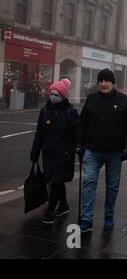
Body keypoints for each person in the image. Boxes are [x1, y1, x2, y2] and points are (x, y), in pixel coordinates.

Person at [77, 69, 127, 232]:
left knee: (112, 186)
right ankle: (86, 219)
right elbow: (82, 122)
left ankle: (109, 216)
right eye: (101, 81)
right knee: (88, 182)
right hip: (92, 150)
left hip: (115, 152)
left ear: (113, 83)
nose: (103, 83)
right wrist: (79, 144)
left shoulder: (124, 100)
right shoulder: (91, 99)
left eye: (107, 81)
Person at [30, 79, 79, 224]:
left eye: (56, 94)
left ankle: (50, 210)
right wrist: (35, 152)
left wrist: (79, 148)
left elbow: (77, 133)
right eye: (51, 93)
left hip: (64, 155)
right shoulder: (45, 111)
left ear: (63, 96)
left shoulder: (71, 112)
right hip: (49, 154)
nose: (53, 97)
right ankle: (63, 205)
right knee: (54, 180)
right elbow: (39, 133)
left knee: (56, 181)